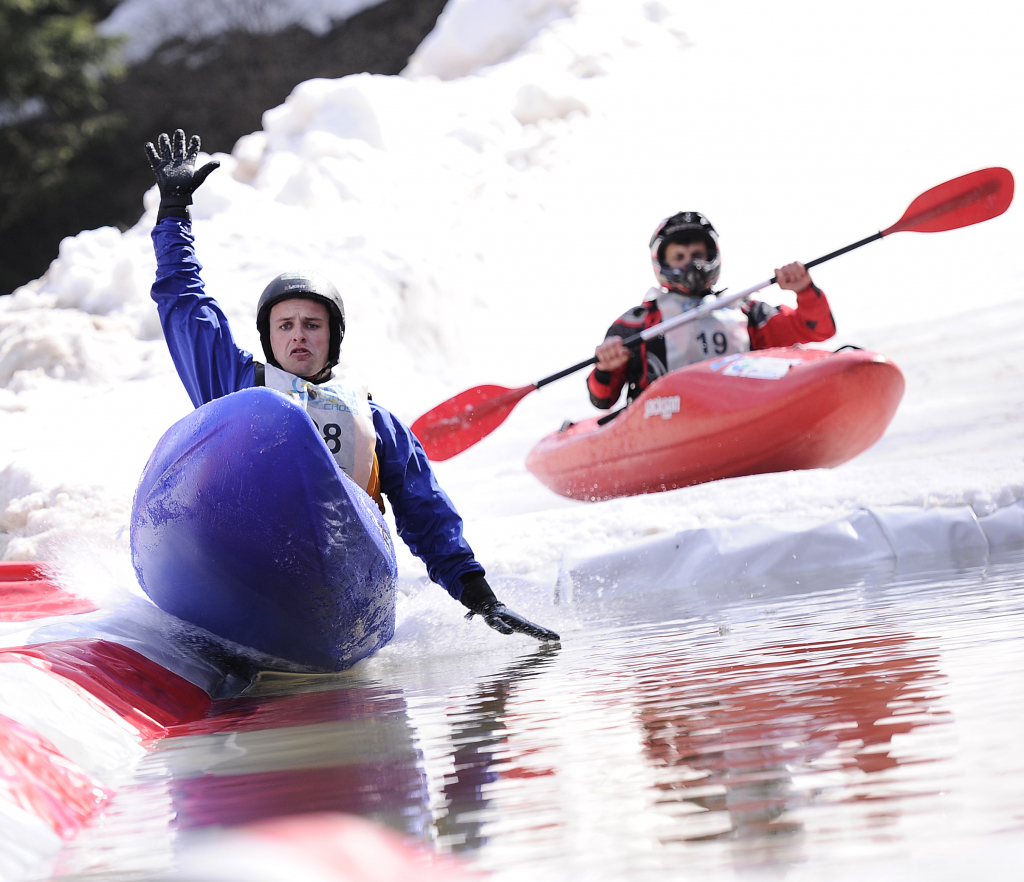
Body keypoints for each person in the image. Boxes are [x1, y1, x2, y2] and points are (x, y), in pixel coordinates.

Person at [145, 129, 558, 643]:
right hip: (242, 553)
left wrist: (480, 597)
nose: (298, 336)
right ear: (268, 336)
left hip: (336, 577)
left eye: (312, 325)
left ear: (333, 338)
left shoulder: (373, 420)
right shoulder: (234, 383)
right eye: (286, 325)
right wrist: (173, 212)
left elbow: (425, 512)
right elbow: (184, 302)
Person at [588, 211, 837, 410]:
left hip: (739, 411)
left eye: (697, 254)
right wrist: (606, 367)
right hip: (664, 422)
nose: (691, 264)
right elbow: (602, 400)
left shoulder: (746, 311)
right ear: (662, 262)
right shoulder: (635, 324)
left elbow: (818, 330)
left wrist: (804, 290)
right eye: (679, 256)